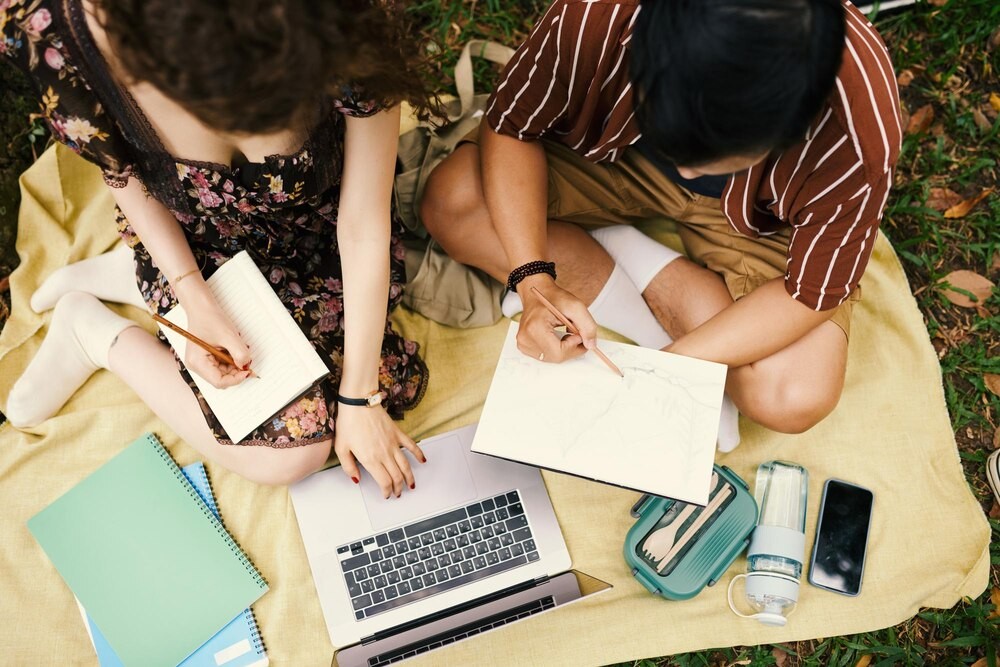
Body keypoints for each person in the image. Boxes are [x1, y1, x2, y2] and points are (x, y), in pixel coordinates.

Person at [1, 0, 430, 494]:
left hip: (319, 234)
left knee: (350, 392)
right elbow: (123, 174)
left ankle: (133, 283)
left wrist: (359, 396)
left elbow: (362, 223)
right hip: (190, 235)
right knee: (289, 454)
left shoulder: (348, 20)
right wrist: (194, 297)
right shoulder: (62, 36)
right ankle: (92, 332)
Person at [420, 0, 901, 438]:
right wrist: (533, 283)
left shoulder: (857, 130)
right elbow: (512, 127)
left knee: (793, 394)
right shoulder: (597, 15)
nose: (687, 171)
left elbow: (810, 294)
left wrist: (664, 367)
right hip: (613, 159)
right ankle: (633, 271)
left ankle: (631, 256)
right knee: (455, 202)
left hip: (757, 217)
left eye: (716, 155)